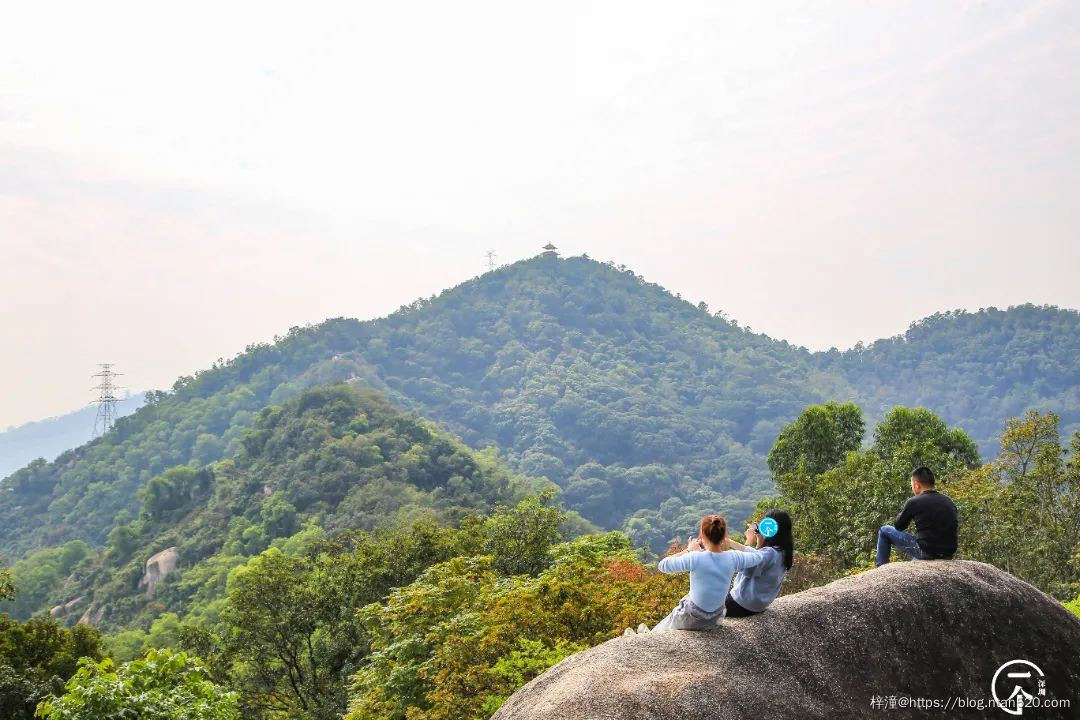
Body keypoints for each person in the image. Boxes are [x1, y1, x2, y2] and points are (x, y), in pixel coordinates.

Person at [647, 514, 768, 632]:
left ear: (702, 535)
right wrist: (731, 542)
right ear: (724, 536)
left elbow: (663, 565)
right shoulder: (733, 558)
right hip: (715, 618)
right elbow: (759, 556)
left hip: (692, 617)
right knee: (685, 602)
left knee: (666, 624)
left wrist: (689, 550)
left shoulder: (695, 558)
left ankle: (647, 634)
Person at [876, 466, 958, 567]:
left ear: (916, 485)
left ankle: (881, 568)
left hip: (927, 553)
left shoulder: (914, 501)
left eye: (912, 485)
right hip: (948, 554)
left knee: (885, 530)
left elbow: (899, 526)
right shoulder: (949, 501)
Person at [722, 509, 793, 617]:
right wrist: (760, 542)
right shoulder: (783, 551)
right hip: (758, 606)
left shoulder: (770, 552)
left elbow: (749, 564)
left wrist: (731, 542)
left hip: (740, 604)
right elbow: (760, 563)